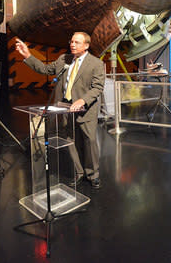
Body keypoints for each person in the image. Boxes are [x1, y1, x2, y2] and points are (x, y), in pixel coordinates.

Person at [15, 32, 106, 189]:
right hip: (65, 108)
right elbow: (45, 69)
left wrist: (83, 100)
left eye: (77, 42)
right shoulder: (64, 59)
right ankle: (79, 172)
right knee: (70, 141)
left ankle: (93, 174)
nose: (72, 44)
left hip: (86, 109)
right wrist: (28, 55)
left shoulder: (96, 63)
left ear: (86, 45)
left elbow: (97, 87)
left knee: (89, 142)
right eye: (71, 41)